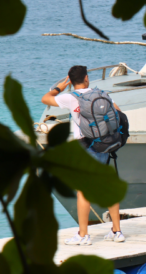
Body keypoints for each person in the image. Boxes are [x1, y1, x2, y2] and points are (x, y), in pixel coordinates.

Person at [42, 66, 126, 246]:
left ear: (71, 81)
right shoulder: (102, 94)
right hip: (104, 144)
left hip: (85, 146)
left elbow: (45, 99)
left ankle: (83, 235)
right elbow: (118, 112)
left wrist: (59, 88)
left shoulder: (71, 98)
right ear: (87, 78)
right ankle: (117, 231)